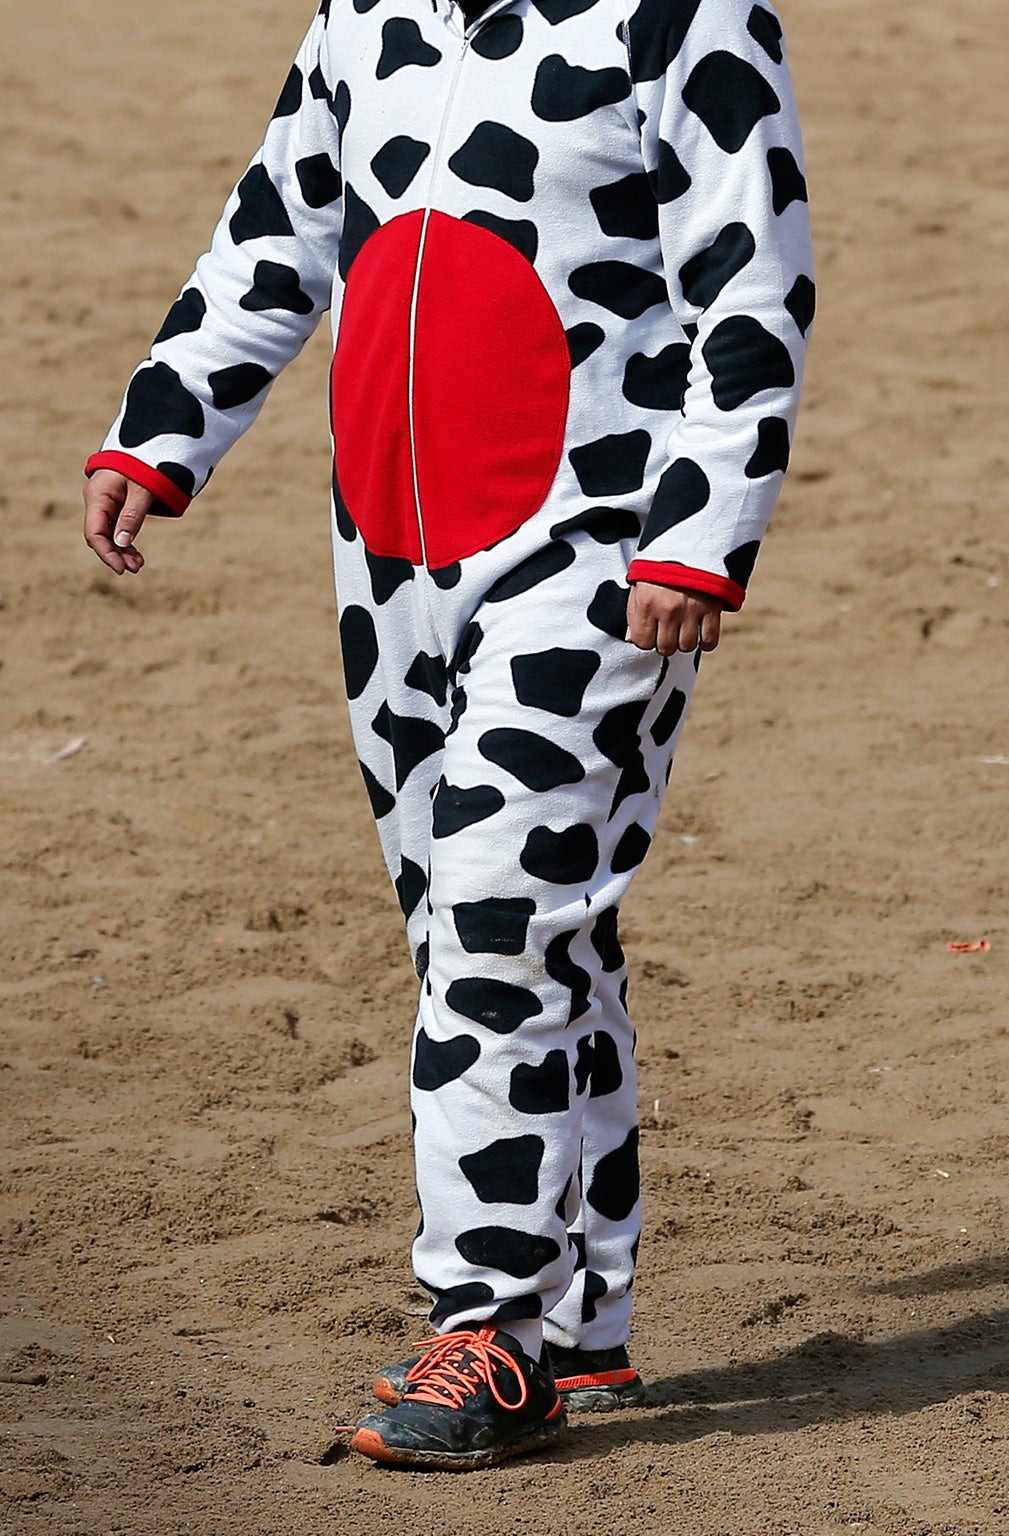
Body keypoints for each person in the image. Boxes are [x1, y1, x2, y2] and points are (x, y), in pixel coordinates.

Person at [80, 0, 812, 1470]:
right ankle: (586, 1309)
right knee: (482, 921)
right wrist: (161, 431)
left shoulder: (680, 17)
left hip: (595, 549)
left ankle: (490, 1324)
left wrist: (698, 539)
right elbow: (279, 224)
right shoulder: (368, 12)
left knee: (498, 916)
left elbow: (755, 283)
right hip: (390, 554)